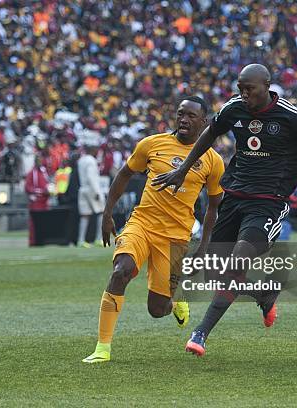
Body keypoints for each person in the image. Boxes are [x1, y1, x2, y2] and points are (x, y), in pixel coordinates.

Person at [153, 64, 297, 357]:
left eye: (249, 89)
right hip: (234, 199)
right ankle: (263, 293)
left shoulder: (291, 115)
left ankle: (200, 333)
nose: (244, 94)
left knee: (236, 264)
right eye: (240, 88)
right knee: (214, 274)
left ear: (267, 86)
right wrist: (182, 168)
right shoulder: (235, 108)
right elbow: (210, 133)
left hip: (268, 203)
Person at [83, 96, 226, 363]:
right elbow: (125, 173)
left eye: (191, 116)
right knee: (120, 271)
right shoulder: (152, 144)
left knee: (156, 309)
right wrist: (107, 213)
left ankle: (174, 302)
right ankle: (103, 348)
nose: (184, 119)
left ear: (204, 123)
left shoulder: (212, 160)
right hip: (142, 224)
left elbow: (214, 208)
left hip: (175, 237)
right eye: (181, 113)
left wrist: (204, 248)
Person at [77, 145, 105, 248]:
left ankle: (81, 240)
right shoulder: (91, 161)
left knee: (85, 215)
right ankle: (99, 238)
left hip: (82, 188)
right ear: (92, 150)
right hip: (91, 189)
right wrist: (97, 192)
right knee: (101, 211)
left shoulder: (81, 160)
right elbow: (91, 177)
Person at [25, 155, 50, 246]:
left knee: (44, 222)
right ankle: (33, 242)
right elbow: (28, 187)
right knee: (34, 223)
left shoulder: (44, 172)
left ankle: (43, 240)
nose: (40, 162)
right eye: (38, 161)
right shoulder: (31, 173)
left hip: (44, 202)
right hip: (36, 202)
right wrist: (41, 191)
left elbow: (47, 183)